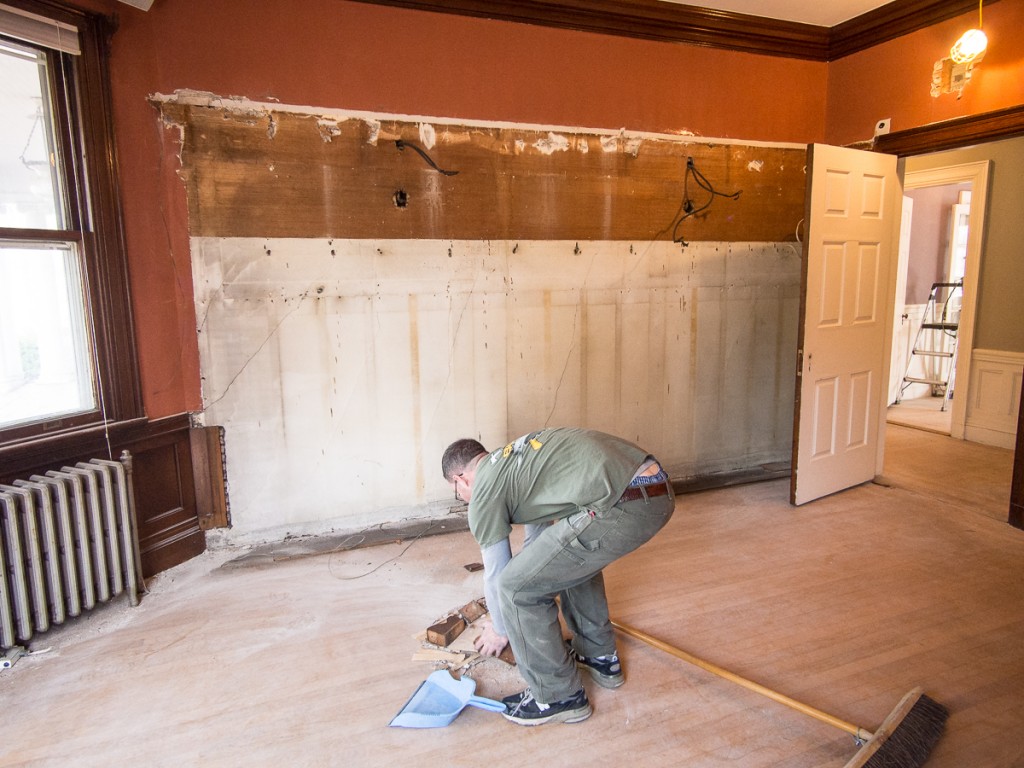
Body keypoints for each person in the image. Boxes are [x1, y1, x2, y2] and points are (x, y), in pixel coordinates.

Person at [441, 427, 675, 726]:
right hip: (654, 488)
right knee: (564, 564)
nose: (462, 498)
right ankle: (597, 656)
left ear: (461, 479)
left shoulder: (484, 490)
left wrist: (501, 629)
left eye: (457, 492)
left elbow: (499, 573)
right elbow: (542, 548)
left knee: (514, 587)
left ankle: (557, 696)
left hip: (625, 502)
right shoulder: (518, 461)